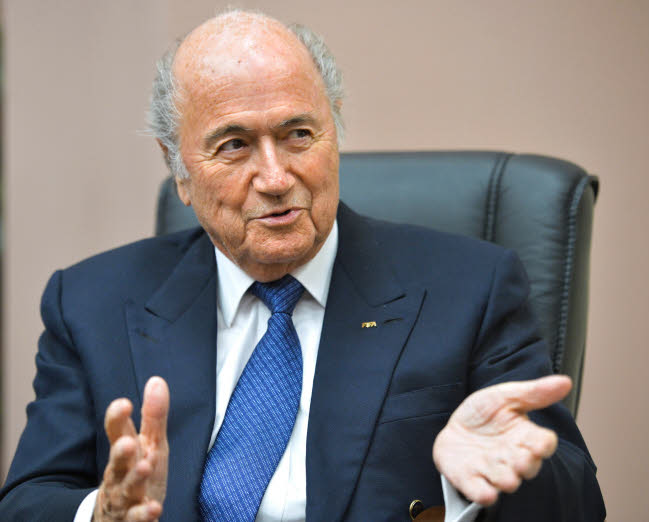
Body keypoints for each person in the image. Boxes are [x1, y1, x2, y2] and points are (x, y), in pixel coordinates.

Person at [0, 9, 605, 522]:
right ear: (177, 169)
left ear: (332, 130)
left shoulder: (470, 287)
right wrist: (99, 514)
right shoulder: (91, 303)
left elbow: (579, 502)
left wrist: (484, 484)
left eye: (297, 134)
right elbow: (28, 500)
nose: (275, 177)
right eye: (233, 145)